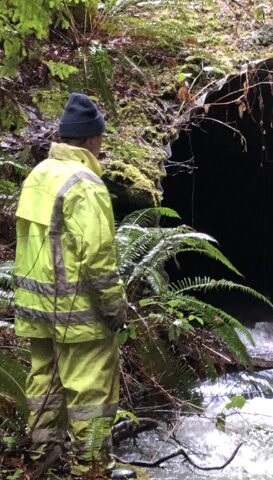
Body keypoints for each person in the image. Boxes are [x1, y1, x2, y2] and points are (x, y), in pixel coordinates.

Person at [13, 93, 135, 478]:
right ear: (89, 139)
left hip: (36, 310)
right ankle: (94, 465)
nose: (102, 143)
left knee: (43, 383)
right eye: (99, 136)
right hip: (78, 314)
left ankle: (40, 458)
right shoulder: (86, 184)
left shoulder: (38, 175)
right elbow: (98, 258)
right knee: (91, 394)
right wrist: (116, 309)